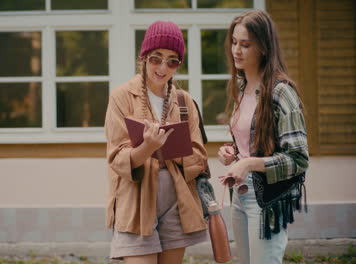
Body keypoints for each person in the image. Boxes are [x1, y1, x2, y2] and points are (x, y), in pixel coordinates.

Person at [104, 21, 209, 263]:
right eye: (156, 58)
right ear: (143, 57)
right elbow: (117, 159)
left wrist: (174, 149)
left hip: (176, 204)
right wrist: (147, 148)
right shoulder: (121, 97)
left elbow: (200, 158)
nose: (163, 67)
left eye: (172, 61)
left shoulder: (185, 102)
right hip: (136, 204)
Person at [218, 10, 309, 264]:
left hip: (267, 202)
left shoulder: (281, 93)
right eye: (234, 42)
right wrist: (232, 153)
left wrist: (248, 164)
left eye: (245, 44)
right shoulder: (241, 87)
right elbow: (251, 142)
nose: (236, 50)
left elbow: (299, 159)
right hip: (240, 195)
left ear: (264, 48)